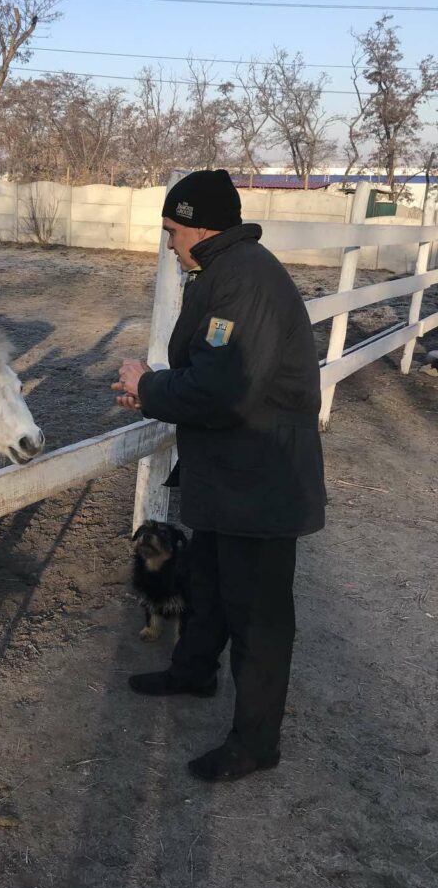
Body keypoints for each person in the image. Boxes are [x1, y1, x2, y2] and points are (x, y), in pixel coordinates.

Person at [113, 169, 326, 783]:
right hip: (230, 473)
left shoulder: (243, 281)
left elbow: (223, 389)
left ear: (200, 226)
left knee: (259, 616)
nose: (168, 243)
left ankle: (256, 743)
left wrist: (151, 386)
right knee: (206, 580)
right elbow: (211, 374)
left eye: (172, 230)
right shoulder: (224, 271)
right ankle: (193, 670)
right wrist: (154, 394)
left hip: (260, 479)